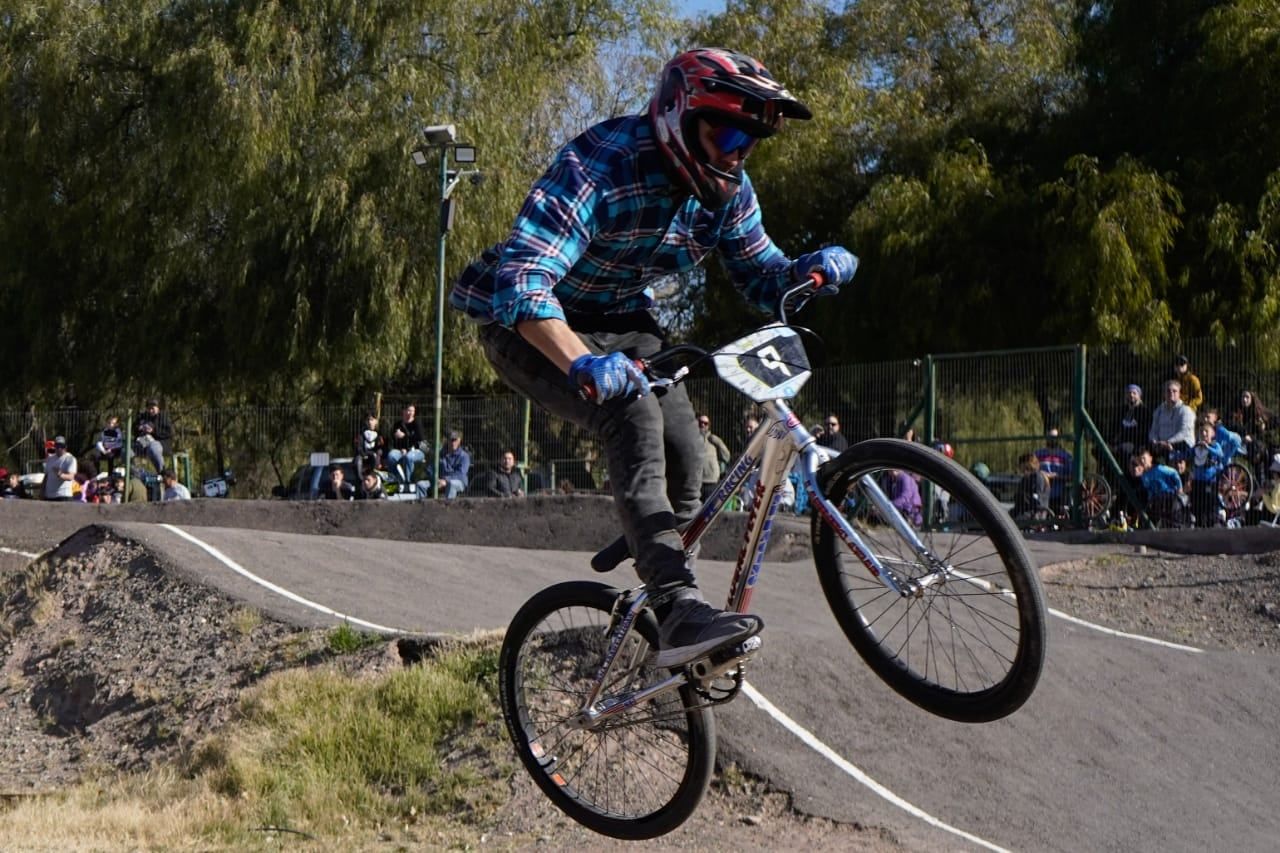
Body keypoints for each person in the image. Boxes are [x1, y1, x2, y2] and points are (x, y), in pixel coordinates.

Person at [448, 47, 859, 667]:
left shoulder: (728, 191)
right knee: (630, 413)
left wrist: (809, 271)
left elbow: (761, 277)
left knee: (686, 450)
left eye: (749, 140)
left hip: (624, 321)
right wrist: (580, 363)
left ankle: (665, 575)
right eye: (725, 132)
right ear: (677, 115)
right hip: (531, 325)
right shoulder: (600, 165)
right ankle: (676, 608)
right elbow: (522, 279)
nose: (736, 151)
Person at [1172, 420, 1225, 527]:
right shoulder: (1196, 446)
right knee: (1196, 507)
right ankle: (1198, 527)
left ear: (1213, 433)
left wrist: (1208, 448)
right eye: (1201, 431)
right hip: (1197, 482)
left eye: (1206, 431)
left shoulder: (1215, 445)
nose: (1203, 433)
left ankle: (1212, 526)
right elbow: (1187, 454)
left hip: (1210, 482)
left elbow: (1220, 454)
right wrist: (1174, 455)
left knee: (1209, 507)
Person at [1148, 380, 1196, 459]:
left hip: (1181, 445)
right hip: (1161, 445)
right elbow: (1153, 430)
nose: (1171, 393)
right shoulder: (1158, 411)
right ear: (1164, 394)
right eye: (1168, 391)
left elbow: (1184, 432)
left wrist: (1168, 442)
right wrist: (1154, 441)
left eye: (1174, 391)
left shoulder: (1186, 410)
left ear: (1179, 393)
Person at [1229, 389, 1272, 471]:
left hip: (1255, 445)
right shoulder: (1237, 412)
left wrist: (1252, 437)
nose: (1244, 399)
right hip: (1240, 443)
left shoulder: (1258, 414)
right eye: (1243, 397)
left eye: (1247, 397)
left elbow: (1262, 433)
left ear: (1252, 399)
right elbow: (1232, 427)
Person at [1033, 427, 1073, 514]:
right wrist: (1042, 474)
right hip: (1041, 495)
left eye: (1054, 437)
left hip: (1059, 496)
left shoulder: (1066, 456)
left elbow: (1072, 477)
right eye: (1050, 437)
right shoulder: (1038, 454)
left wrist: (1056, 476)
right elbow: (1031, 471)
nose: (1052, 440)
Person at [386, 404, 426, 486]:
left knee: (409, 457)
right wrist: (396, 437)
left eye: (412, 411)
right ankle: (395, 479)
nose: (410, 413)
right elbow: (392, 440)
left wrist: (405, 436)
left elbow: (420, 439)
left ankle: (408, 482)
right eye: (408, 410)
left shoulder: (417, 423)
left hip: (416, 450)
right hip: (401, 451)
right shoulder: (397, 425)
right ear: (403, 411)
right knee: (391, 456)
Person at [1113, 384, 1151, 463]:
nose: (1131, 395)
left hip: (1137, 444)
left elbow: (1144, 431)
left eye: (1134, 393)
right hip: (1121, 442)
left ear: (1139, 396)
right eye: (1129, 393)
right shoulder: (1122, 410)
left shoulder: (1144, 411)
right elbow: (1115, 428)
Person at [134, 398, 173, 474]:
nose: (151, 410)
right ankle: (136, 474)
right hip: (143, 441)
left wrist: (153, 431)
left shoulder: (164, 417)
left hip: (160, 442)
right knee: (126, 452)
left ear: (158, 408)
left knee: (153, 448)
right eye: (149, 408)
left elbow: (170, 432)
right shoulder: (143, 416)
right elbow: (134, 428)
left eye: (153, 408)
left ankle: (162, 473)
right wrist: (140, 428)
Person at [697, 413, 731, 501]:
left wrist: (718, 442)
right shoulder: (693, 439)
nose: (702, 425)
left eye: (705, 423)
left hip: (712, 481)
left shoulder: (713, 440)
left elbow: (727, 457)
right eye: (700, 422)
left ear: (709, 425)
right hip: (697, 482)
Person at [433, 429, 471, 499]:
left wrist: (446, 480)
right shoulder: (440, 454)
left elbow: (460, 474)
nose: (453, 443)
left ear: (459, 440)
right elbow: (430, 469)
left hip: (459, 482)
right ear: (447, 441)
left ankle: (448, 508)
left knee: (452, 484)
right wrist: (436, 479)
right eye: (451, 440)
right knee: (421, 485)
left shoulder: (464, 456)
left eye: (455, 440)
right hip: (440, 481)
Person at [1012, 452, 1050, 520]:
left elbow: (1037, 498)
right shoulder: (1025, 478)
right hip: (1024, 509)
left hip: (1036, 511)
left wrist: (1023, 497)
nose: (1021, 469)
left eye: (1024, 466)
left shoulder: (1038, 477)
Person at [43, 436, 77, 501]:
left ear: (65, 447)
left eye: (62, 446)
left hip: (63, 495)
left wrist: (60, 474)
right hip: (49, 496)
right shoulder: (50, 459)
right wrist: (42, 491)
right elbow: (46, 477)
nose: (59, 448)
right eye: (57, 446)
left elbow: (71, 477)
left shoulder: (70, 459)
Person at [353, 413, 385, 481]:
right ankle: (361, 480)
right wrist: (364, 454)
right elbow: (358, 447)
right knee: (358, 460)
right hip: (363, 456)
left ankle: (374, 478)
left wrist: (378, 455)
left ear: (376, 421)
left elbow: (381, 447)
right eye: (368, 420)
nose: (370, 422)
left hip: (375, 458)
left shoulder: (380, 434)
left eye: (372, 420)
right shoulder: (360, 434)